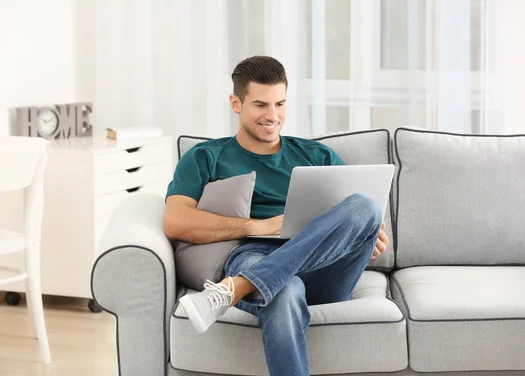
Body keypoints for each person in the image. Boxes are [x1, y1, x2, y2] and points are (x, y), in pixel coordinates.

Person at [164, 55, 389, 376]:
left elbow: (357, 217)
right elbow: (176, 222)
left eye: (280, 104)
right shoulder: (206, 157)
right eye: (260, 105)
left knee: (366, 207)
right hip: (254, 254)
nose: (273, 116)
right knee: (284, 290)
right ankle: (255, 280)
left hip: (327, 268)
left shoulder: (317, 156)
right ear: (235, 103)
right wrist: (259, 225)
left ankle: (235, 288)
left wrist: (366, 238)